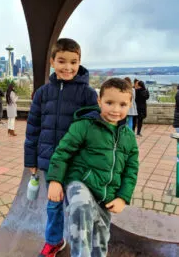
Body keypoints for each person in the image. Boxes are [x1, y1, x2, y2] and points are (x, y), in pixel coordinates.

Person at [47, 78, 139, 257]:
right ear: (99, 101)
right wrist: (55, 180)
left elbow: (131, 169)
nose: (115, 109)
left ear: (130, 105)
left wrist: (122, 197)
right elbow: (62, 152)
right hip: (81, 184)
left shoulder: (128, 137)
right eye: (109, 103)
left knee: (100, 241)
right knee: (80, 209)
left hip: (105, 197)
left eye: (122, 104)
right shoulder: (84, 126)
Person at [24, 38, 98, 257]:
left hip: (77, 163)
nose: (68, 67)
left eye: (73, 62)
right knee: (54, 205)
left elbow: (95, 131)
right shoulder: (42, 93)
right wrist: (31, 161)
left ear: (80, 62)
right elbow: (33, 128)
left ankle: (82, 243)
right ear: (52, 62)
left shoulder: (88, 94)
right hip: (49, 161)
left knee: (78, 207)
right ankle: (54, 240)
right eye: (62, 61)